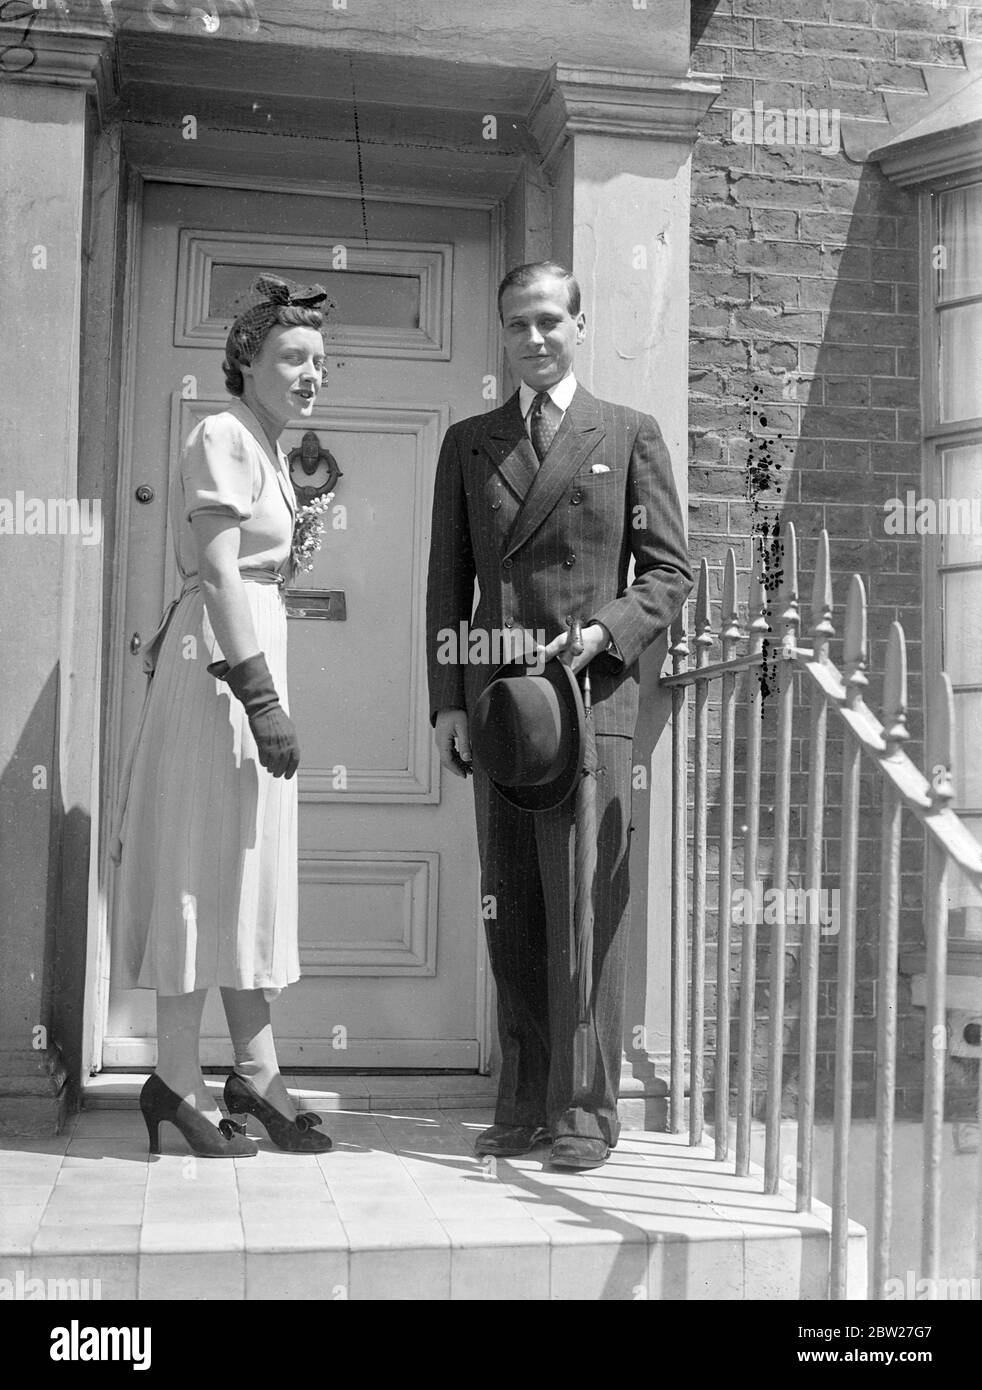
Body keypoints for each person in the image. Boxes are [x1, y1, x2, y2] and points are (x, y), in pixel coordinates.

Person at [426, 261, 693, 1170]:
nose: (533, 338)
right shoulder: (470, 441)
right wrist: (446, 707)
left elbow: (670, 571)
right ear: (501, 333)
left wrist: (607, 630)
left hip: (590, 701)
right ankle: (523, 1104)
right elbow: (445, 586)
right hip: (502, 708)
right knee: (512, 910)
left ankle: (584, 1113)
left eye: (549, 320)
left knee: (584, 907)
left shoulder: (626, 432)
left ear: (579, 322)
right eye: (516, 324)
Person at [110, 275, 333, 1157]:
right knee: (200, 869)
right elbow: (216, 572)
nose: (312, 374)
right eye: (292, 357)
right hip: (221, 679)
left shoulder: (268, 446)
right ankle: (172, 1076)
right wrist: (261, 695)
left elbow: (255, 568)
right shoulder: (222, 433)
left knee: (244, 869)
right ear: (246, 360)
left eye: (320, 360)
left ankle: (256, 1067)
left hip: (244, 660)